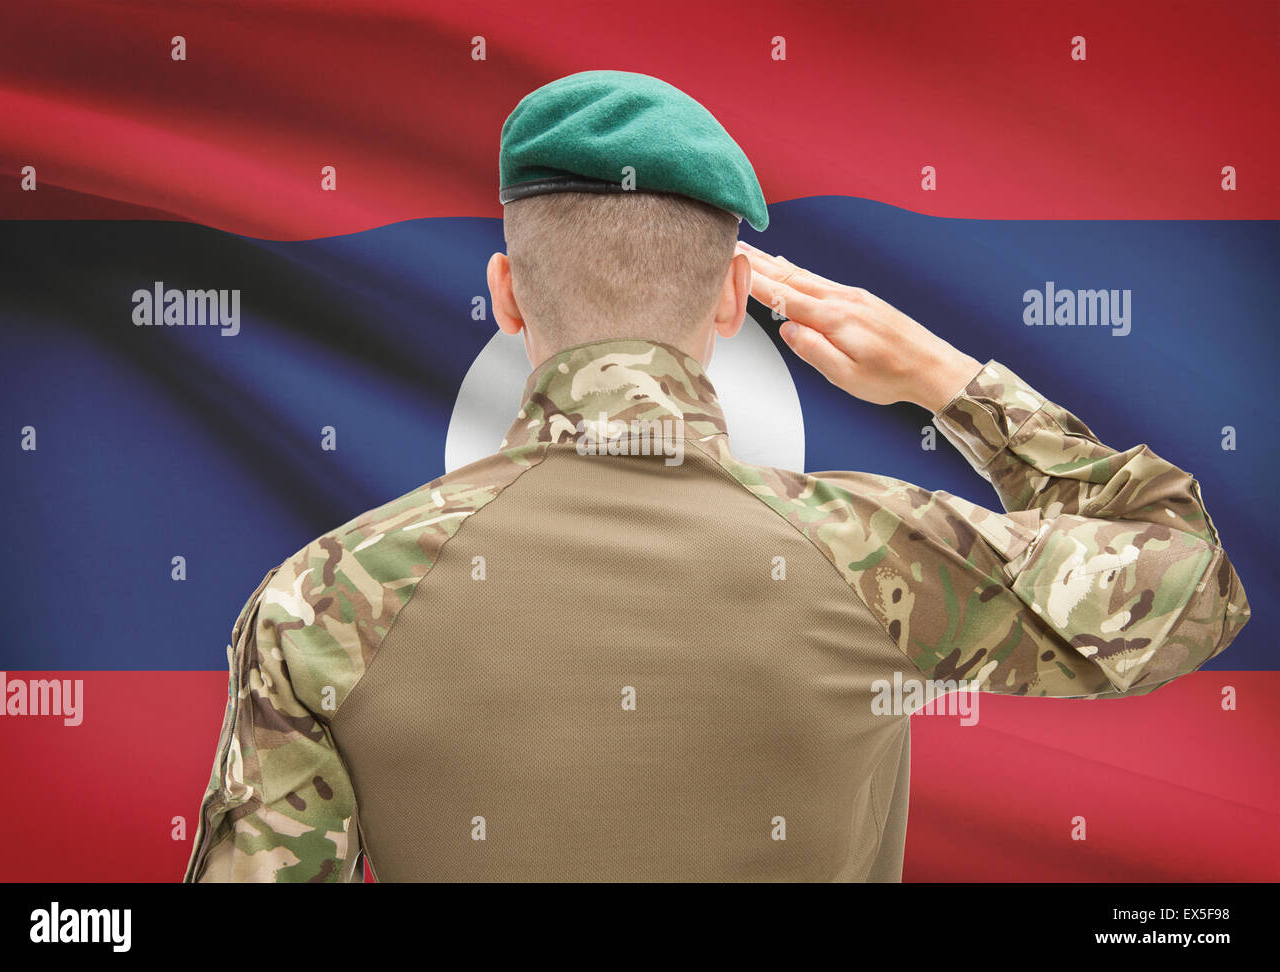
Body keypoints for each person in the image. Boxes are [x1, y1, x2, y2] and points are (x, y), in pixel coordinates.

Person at [184, 70, 1249, 882]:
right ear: (736, 297)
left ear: (506, 295)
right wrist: (950, 381)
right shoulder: (875, 554)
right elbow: (1191, 583)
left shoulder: (318, 599)